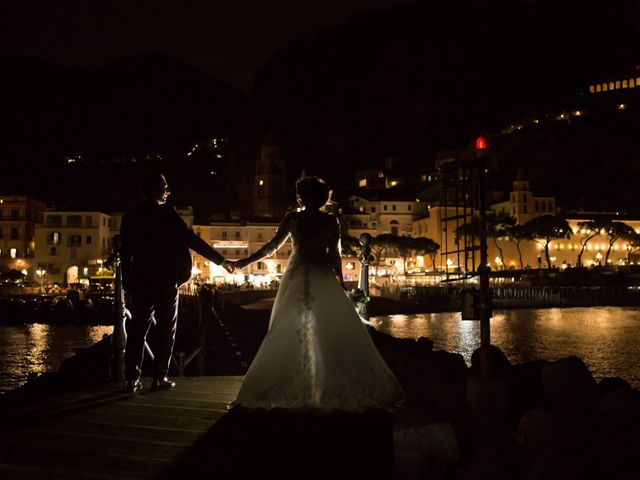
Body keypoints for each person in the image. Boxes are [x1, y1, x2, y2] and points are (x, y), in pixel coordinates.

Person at [229, 176, 404, 412]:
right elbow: (335, 257)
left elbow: (271, 248)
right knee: (329, 329)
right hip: (322, 276)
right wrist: (342, 285)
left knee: (288, 328)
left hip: (298, 275)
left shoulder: (294, 219)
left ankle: (301, 384)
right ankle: (323, 385)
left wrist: (245, 262)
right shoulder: (330, 221)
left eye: (301, 194)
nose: (300, 198)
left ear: (305, 196)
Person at [120, 173, 233, 393]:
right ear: (155, 190)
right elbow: (192, 240)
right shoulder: (167, 214)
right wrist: (220, 261)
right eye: (165, 187)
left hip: (141, 280)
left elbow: (126, 255)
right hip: (166, 280)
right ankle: (159, 377)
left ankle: (131, 379)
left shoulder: (131, 216)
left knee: (137, 330)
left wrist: (127, 286)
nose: (168, 191)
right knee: (166, 329)